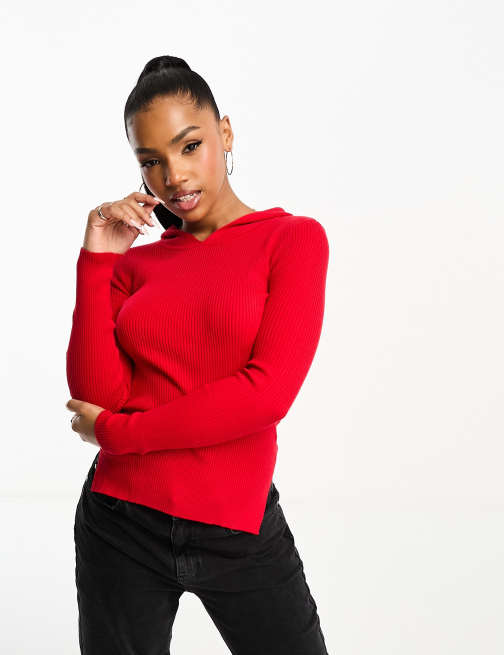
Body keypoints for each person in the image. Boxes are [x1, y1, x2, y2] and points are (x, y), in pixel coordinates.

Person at [65, 55, 330, 655]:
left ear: (225, 133)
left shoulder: (291, 239)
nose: (174, 177)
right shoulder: (136, 262)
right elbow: (97, 396)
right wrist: (97, 259)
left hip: (237, 527)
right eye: (151, 161)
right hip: (119, 522)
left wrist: (120, 435)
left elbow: (266, 394)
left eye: (190, 146)